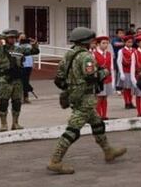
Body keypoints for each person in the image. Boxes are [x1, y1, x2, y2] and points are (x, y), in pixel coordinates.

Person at [47, 27, 127, 175]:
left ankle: (108, 151)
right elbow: (91, 77)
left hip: (75, 96)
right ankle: (55, 160)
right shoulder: (86, 57)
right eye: (92, 40)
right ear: (86, 41)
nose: (93, 43)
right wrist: (105, 71)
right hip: (85, 98)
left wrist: (71, 88)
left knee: (97, 124)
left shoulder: (68, 55)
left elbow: (58, 79)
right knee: (73, 130)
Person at [0, 29, 40, 131]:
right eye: (10, 37)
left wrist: (35, 45)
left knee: (17, 102)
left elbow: (34, 51)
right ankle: (3, 124)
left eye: (14, 37)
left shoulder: (19, 49)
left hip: (17, 79)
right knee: (4, 102)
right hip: (5, 79)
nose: (13, 39)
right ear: (6, 38)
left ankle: (15, 123)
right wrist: (3, 35)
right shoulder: (0, 49)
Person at [92, 36, 115, 120]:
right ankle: (98, 115)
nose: (105, 45)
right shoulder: (94, 54)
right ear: (98, 44)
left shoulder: (109, 54)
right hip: (99, 79)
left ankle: (104, 115)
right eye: (103, 43)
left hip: (107, 78)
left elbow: (111, 67)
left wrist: (113, 81)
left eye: (107, 43)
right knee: (99, 97)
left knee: (105, 97)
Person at [19, 34, 38, 103]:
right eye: (21, 38)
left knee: (26, 81)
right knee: (22, 81)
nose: (23, 39)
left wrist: (34, 42)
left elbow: (34, 51)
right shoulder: (18, 45)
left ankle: (26, 97)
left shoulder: (29, 45)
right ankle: (20, 97)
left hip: (28, 65)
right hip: (21, 65)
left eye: (24, 38)